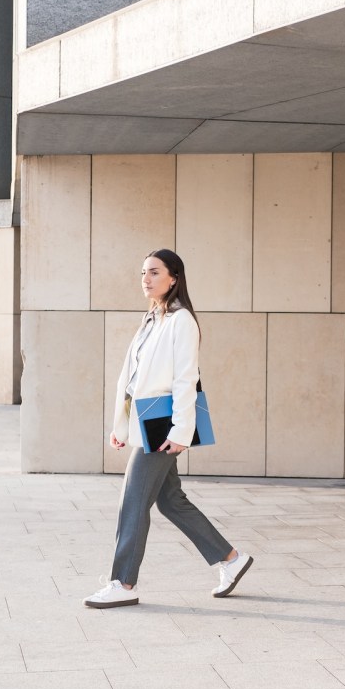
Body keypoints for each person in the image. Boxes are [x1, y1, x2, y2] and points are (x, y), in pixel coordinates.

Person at [83, 249, 253, 609]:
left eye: (154, 272)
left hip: (164, 424)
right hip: (147, 421)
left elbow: (184, 379)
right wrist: (122, 425)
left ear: (174, 277)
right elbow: (134, 379)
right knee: (170, 500)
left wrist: (180, 430)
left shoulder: (181, 321)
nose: (146, 278)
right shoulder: (152, 319)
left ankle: (123, 582)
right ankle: (230, 559)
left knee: (134, 499)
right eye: (143, 272)